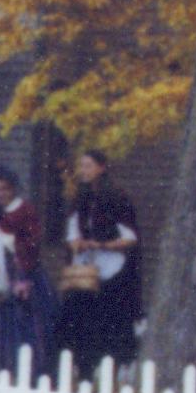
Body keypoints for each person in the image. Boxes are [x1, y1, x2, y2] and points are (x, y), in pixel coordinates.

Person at [53, 146, 144, 373]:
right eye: (81, 166)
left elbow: (130, 238)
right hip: (86, 271)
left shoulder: (116, 198)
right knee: (79, 322)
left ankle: (110, 369)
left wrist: (101, 244)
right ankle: (82, 367)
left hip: (111, 272)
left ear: (101, 168)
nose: (83, 171)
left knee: (108, 325)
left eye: (88, 166)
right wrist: (77, 243)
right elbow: (73, 232)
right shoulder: (80, 199)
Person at [0, 165, 45, 373]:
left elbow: (34, 241)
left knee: (23, 322)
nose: (1, 194)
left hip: (21, 273)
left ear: (13, 189)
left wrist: (11, 242)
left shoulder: (24, 210)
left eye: (5, 189)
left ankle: (25, 367)